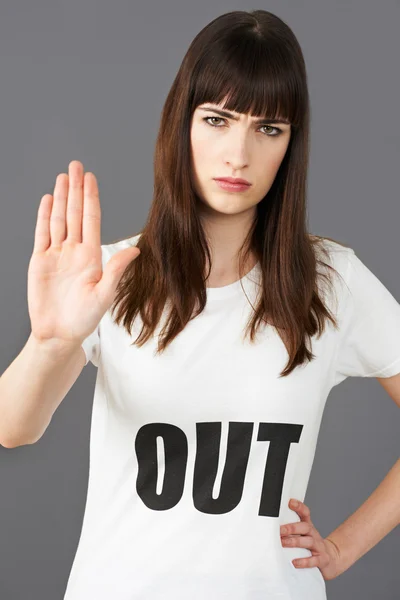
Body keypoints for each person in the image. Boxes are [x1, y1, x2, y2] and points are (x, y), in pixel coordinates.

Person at [1, 9, 400, 600]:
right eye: (217, 119)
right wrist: (51, 341)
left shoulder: (329, 280)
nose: (238, 153)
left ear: (292, 144)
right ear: (181, 124)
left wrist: (341, 548)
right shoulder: (112, 275)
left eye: (269, 129)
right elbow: (14, 429)